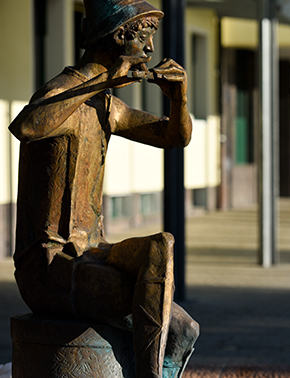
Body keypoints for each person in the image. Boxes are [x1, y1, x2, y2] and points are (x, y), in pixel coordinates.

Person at [8, 1, 198, 377]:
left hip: (92, 251)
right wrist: (103, 80)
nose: (149, 50)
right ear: (117, 37)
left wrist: (179, 98)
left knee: (175, 297)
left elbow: (173, 136)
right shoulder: (64, 90)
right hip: (48, 265)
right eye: (143, 38)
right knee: (160, 316)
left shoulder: (107, 106)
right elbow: (28, 126)